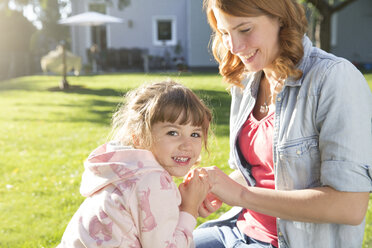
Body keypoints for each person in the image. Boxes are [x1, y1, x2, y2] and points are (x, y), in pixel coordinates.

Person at [191, 0, 372, 247]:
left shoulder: (333, 78)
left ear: (280, 18)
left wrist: (240, 195)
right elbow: (254, 174)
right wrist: (215, 188)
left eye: (244, 30)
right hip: (238, 229)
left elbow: (349, 206)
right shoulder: (248, 81)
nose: (233, 47)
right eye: (224, 33)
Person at [57, 80, 212, 247]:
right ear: (137, 135)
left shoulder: (125, 167)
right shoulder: (152, 180)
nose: (187, 145)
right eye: (173, 132)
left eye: (195, 134)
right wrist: (189, 209)